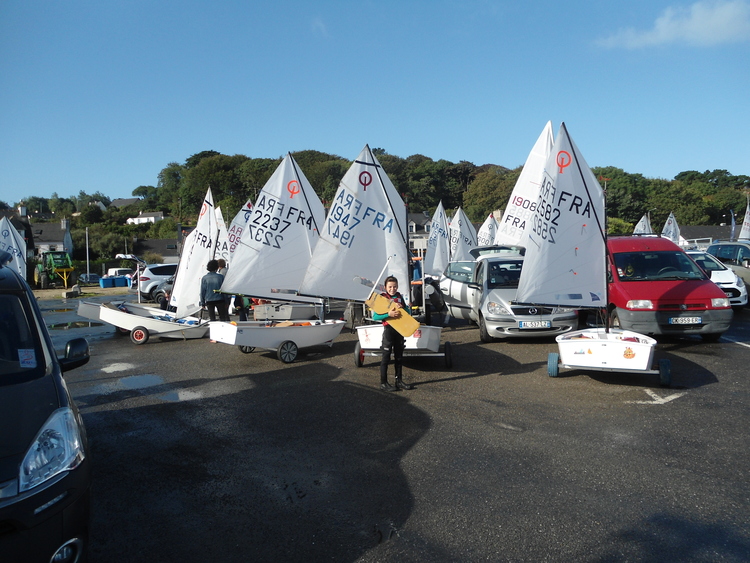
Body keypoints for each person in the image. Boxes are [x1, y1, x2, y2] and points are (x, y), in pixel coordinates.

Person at [372, 276, 414, 392]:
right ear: (385, 287)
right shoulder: (382, 298)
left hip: (399, 330)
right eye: (390, 287)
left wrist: (403, 308)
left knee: (399, 357)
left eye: (394, 286)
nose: (392, 289)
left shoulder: (399, 297)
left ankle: (398, 381)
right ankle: (383, 383)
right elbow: (375, 316)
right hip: (389, 330)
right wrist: (388, 314)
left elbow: (408, 313)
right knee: (386, 357)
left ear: (397, 287)